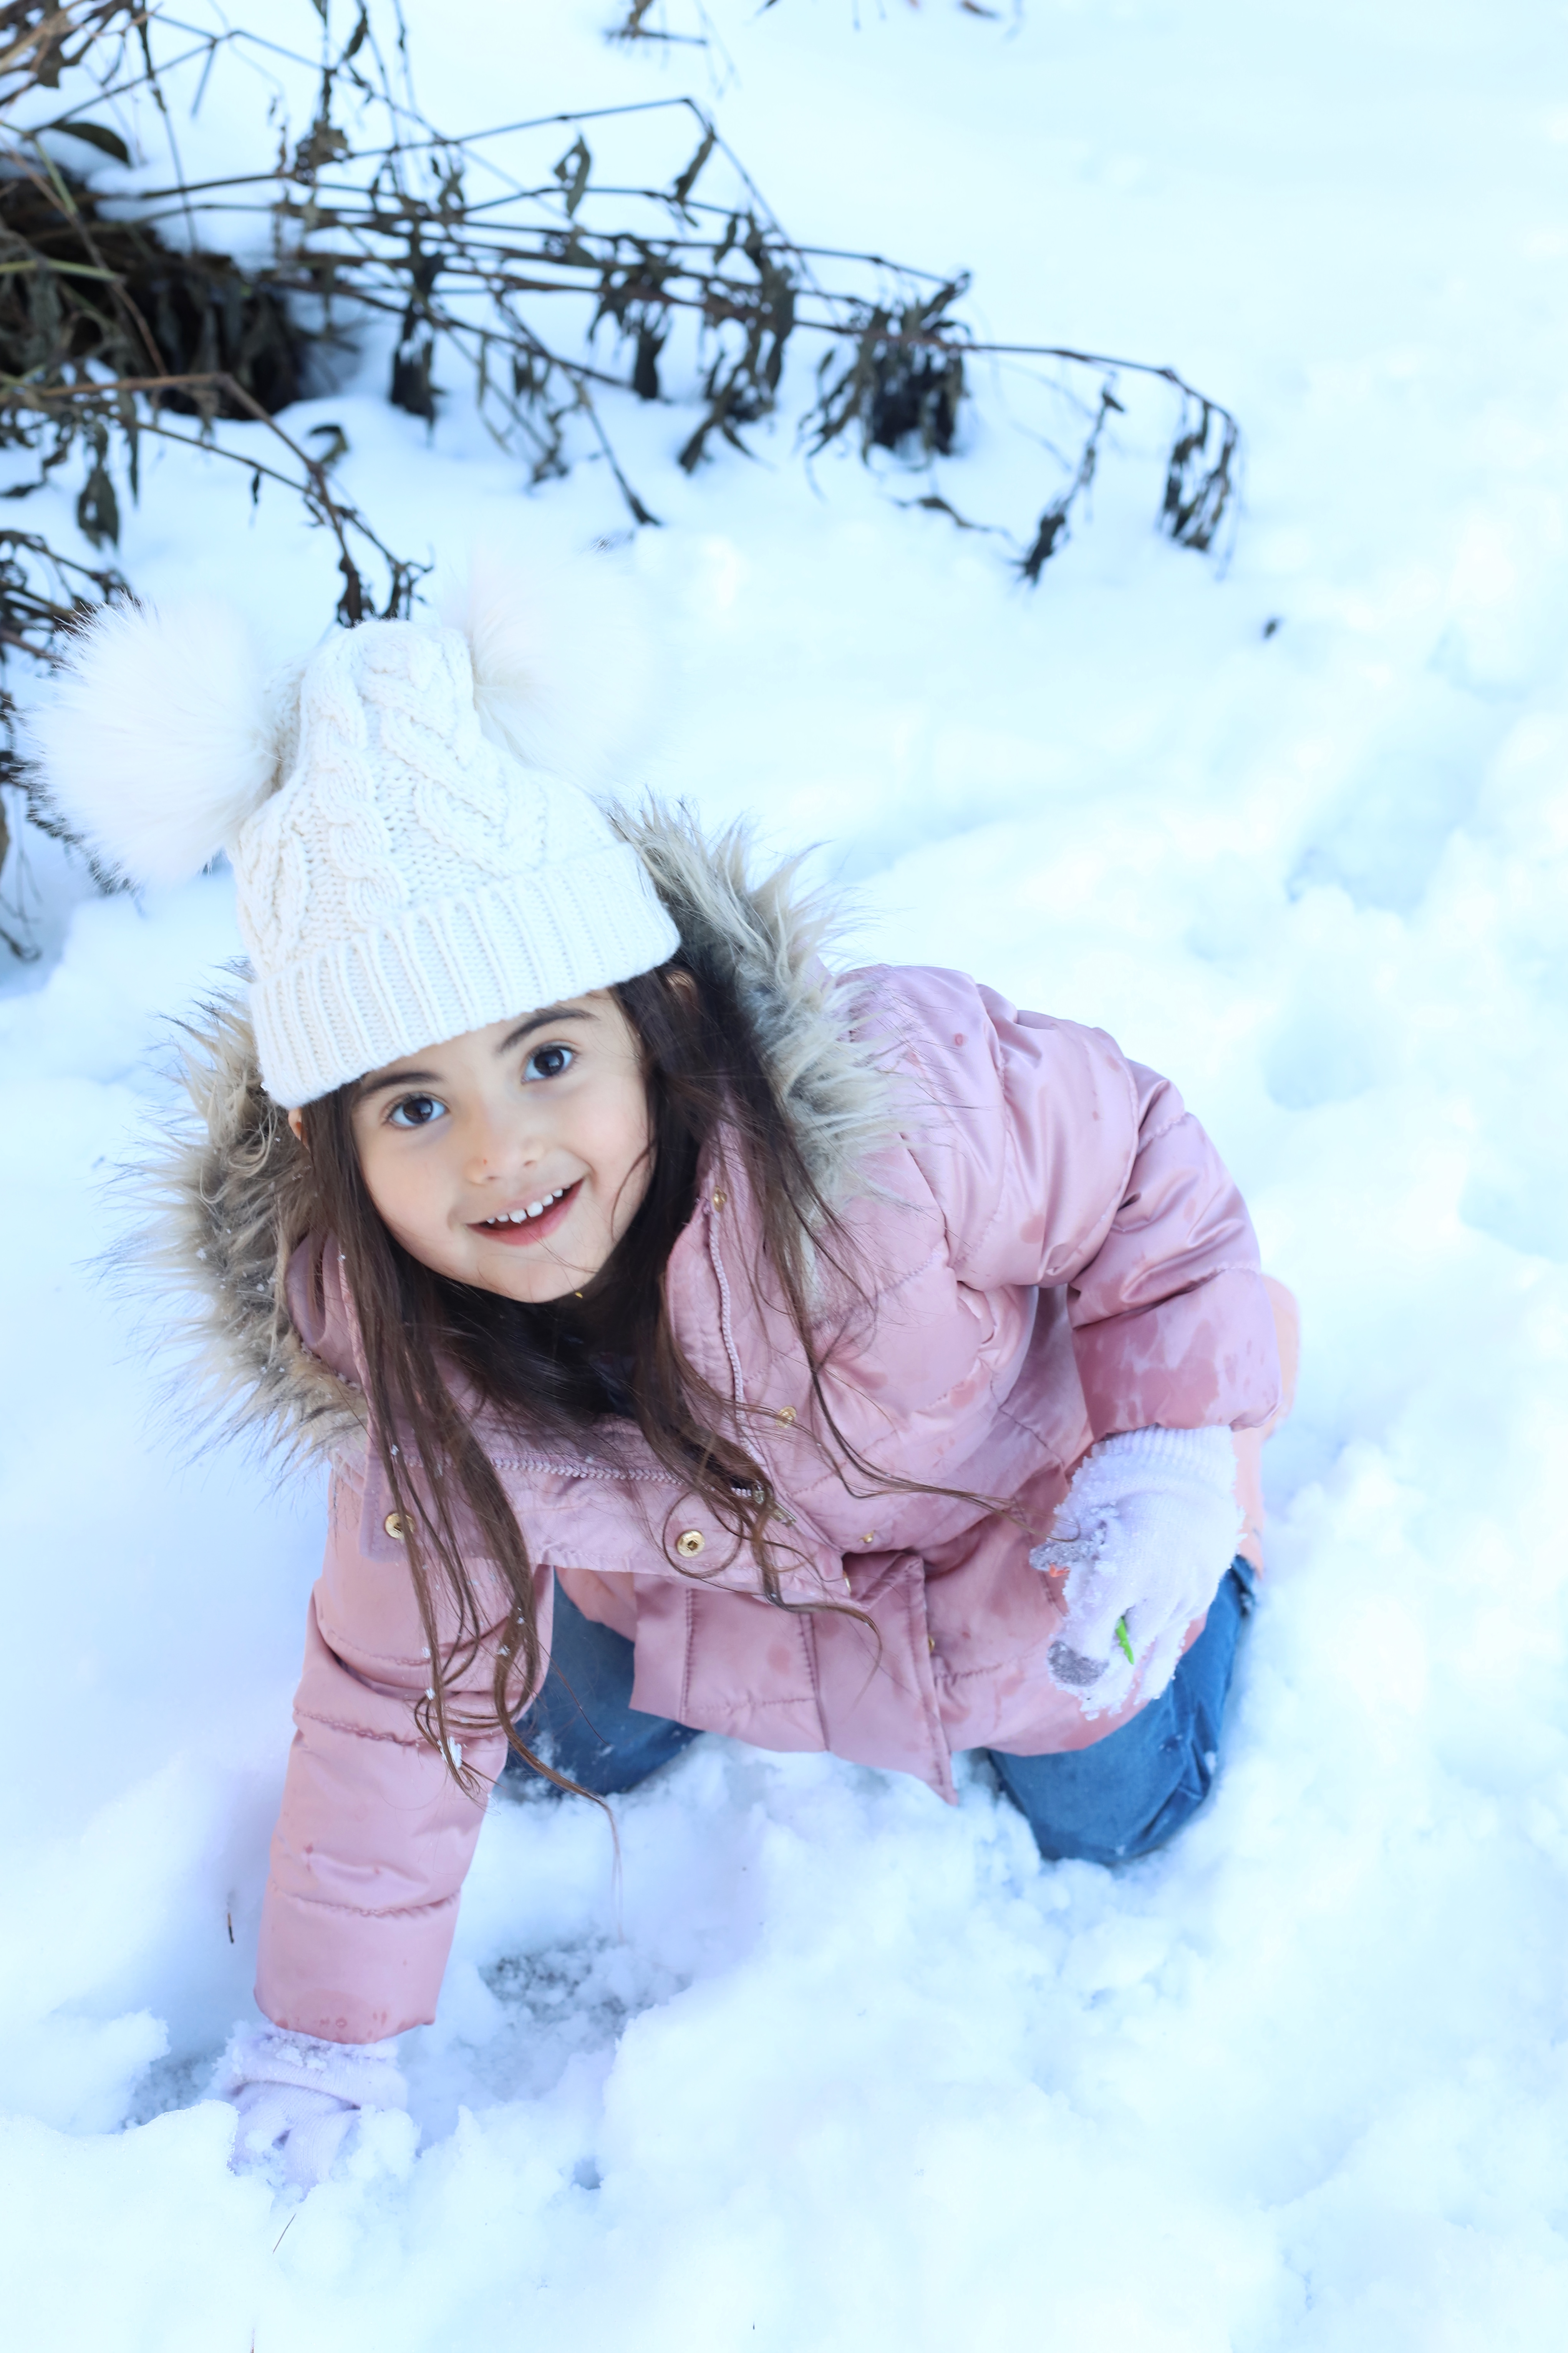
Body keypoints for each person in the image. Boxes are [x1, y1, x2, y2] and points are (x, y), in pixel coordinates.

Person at [33, 565, 1296, 2192]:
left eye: (547, 1057)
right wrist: (326, 2033)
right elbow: (394, 1702)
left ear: (663, 1021)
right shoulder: (415, 1367)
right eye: (411, 1108)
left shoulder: (904, 1126)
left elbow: (1143, 1179)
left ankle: (1223, 1521)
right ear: (324, 1146)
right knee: (569, 1745)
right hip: (703, 1597)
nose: (500, 1152)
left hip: (1024, 1549)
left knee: (1125, 1813)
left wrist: (1176, 1447)